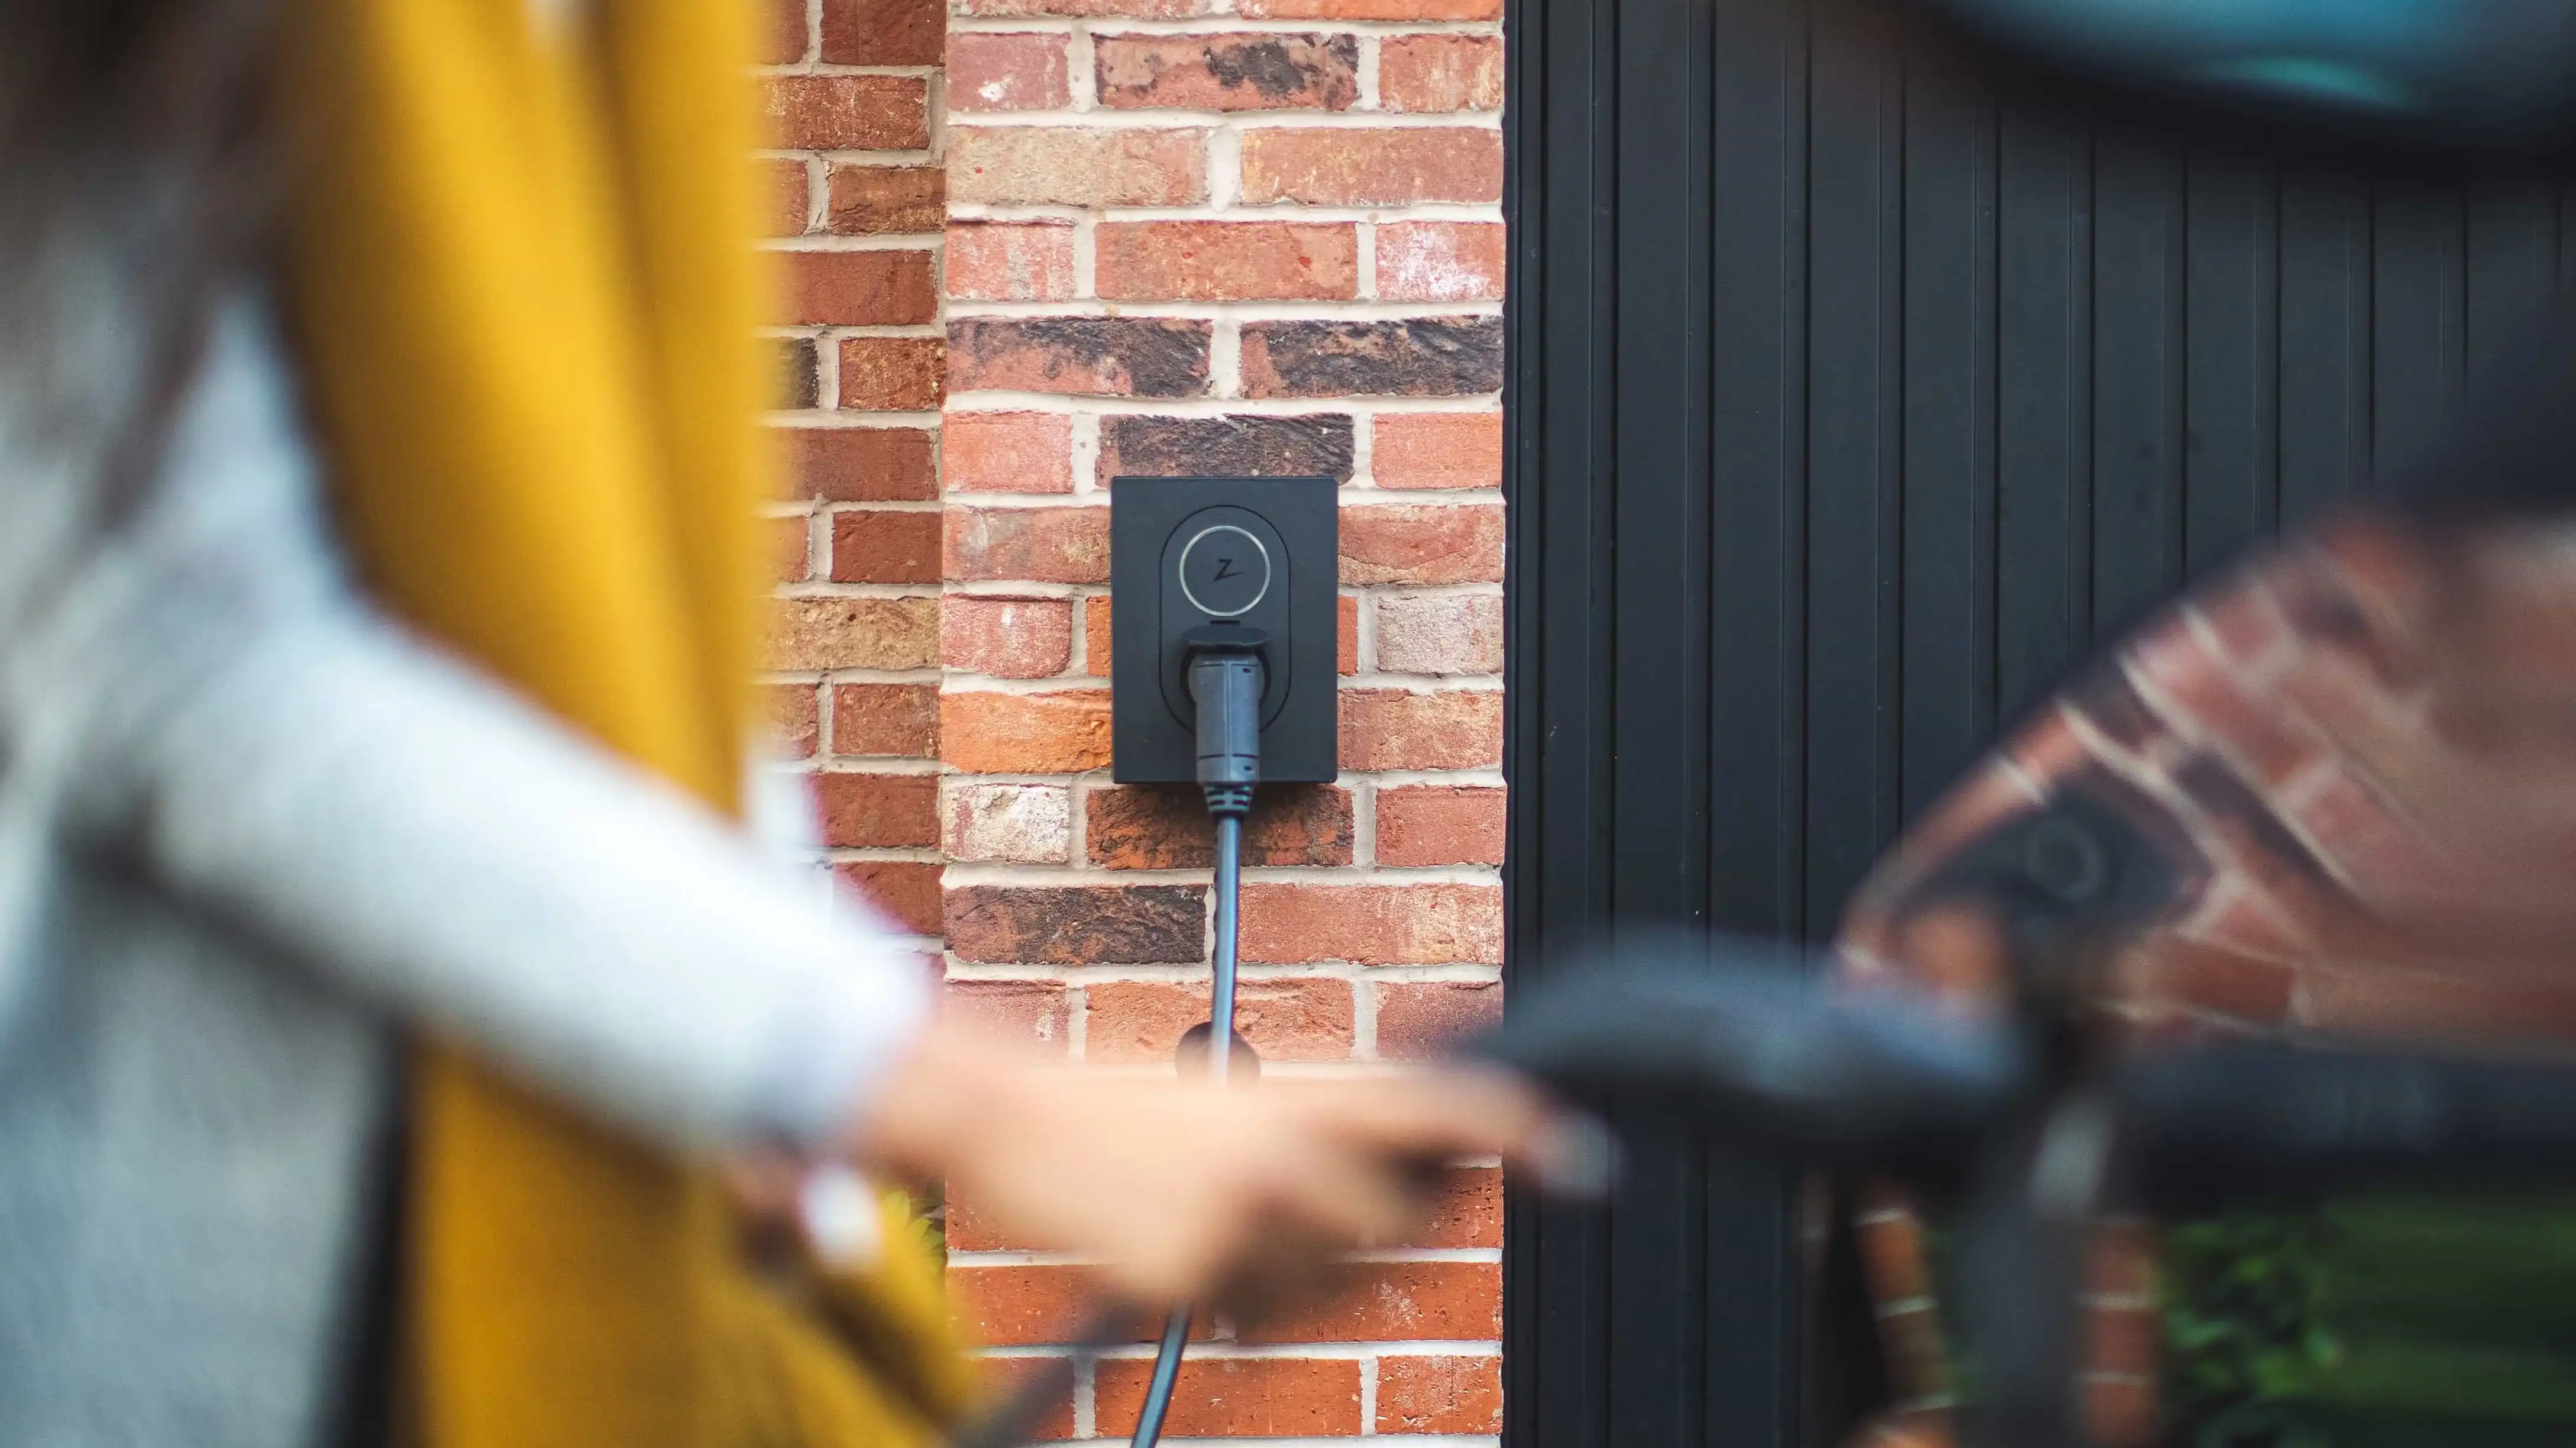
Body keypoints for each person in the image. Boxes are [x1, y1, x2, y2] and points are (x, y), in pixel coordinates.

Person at [0, 1, 1574, 1444]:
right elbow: (167, 640)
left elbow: (646, 654)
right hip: (221, 1255)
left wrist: (764, 1041)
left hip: (615, 1183)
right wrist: (977, 1095)